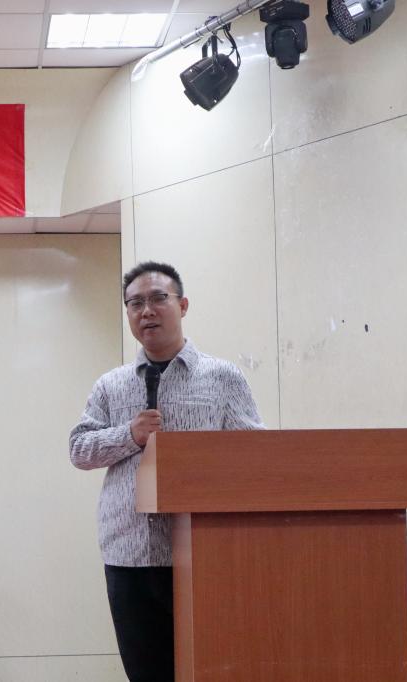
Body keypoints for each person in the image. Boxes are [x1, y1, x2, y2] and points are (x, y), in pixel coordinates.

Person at [69, 261, 264, 682]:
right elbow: (79, 450)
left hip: (205, 554)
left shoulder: (222, 377)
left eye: (159, 298)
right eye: (135, 303)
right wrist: (130, 434)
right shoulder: (110, 385)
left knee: (210, 670)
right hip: (129, 555)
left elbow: (255, 455)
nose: (147, 311)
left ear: (183, 305)